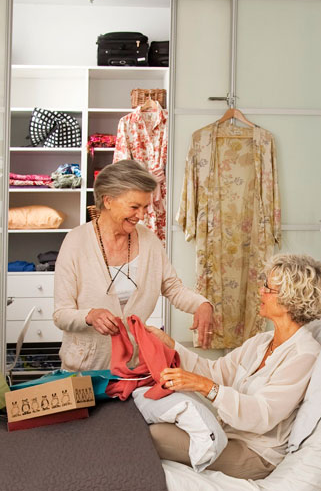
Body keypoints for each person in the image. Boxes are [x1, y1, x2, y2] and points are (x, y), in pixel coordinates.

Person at [147, 253, 321, 480]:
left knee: (155, 436)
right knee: (150, 421)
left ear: (291, 300)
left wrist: (205, 387)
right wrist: (169, 345)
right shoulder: (262, 341)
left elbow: (262, 414)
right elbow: (216, 372)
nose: (261, 291)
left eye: (269, 288)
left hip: (256, 453)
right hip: (227, 435)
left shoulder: (304, 355)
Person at [53, 159, 214, 371]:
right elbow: (61, 314)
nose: (141, 215)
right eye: (134, 207)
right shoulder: (76, 242)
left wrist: (202, 305)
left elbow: (173, 288)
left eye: (145, 207)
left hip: (133, 368)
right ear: (108, 201)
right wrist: (89, 316)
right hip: (85, 370)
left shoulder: (149, 241)